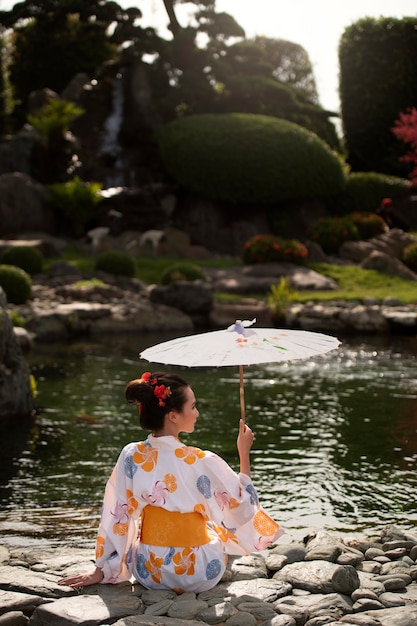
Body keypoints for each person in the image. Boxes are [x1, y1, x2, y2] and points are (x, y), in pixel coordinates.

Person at [58, 371, 283, 593]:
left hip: (150, 571)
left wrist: (102, 568)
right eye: (193, 406)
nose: (197, 413)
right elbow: (243, 507)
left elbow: (118, 514)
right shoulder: (202, 460)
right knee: (212, 524)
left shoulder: (131, 454)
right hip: (199, 573)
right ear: (173, 415)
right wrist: (244, 453)